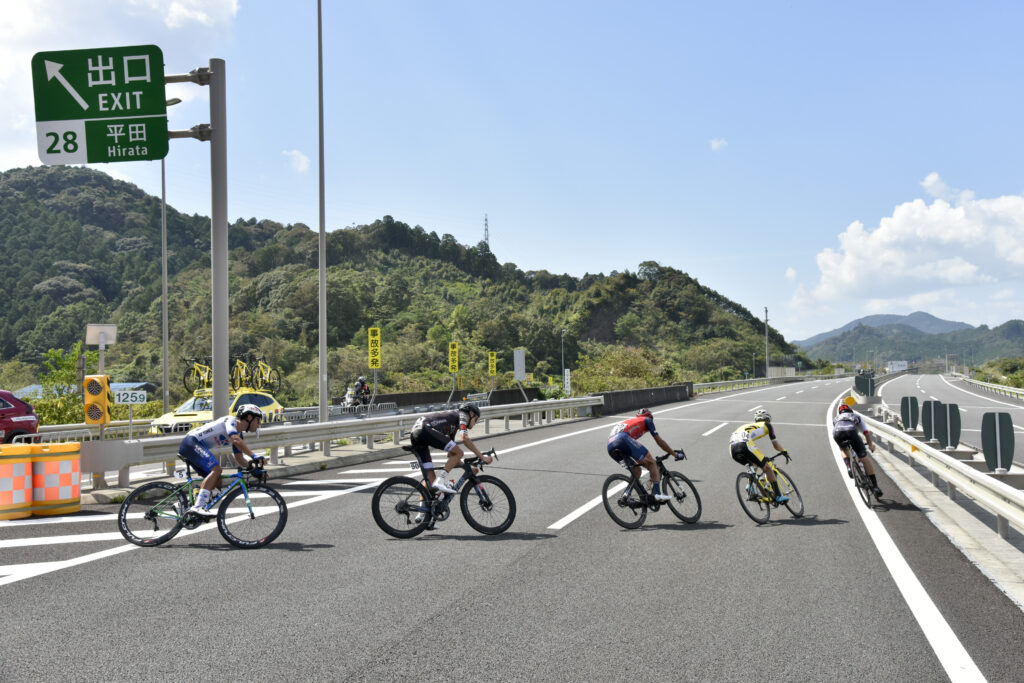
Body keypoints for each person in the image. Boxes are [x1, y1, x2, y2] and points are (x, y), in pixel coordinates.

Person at [177, 404, 265, 516]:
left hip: (195, 446)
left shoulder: (239, 434)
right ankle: (198, 507)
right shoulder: (231, 421)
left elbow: (239, 458)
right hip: (192, 442)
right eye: (258, 420)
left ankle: (182, 505)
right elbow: (235, 440)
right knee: (217, 469)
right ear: (249, 417)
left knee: (217, 481)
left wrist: (254, 470)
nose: (259, 424)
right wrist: (253, 455)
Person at [408, 402, 491, 495]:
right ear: (471, 414)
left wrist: (467, 468)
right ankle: (440, 481)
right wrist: (482, 457)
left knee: (430, 477)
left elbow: (451, 454)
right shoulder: (463, 415)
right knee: (460, 453)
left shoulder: (452, 424)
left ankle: (422, 507)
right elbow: (464, 438)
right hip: (425, 429)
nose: (475, 423)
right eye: (476, 419)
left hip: (416, 434)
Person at [606, 408, 685, 504]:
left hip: (610, 446)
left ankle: (626, 496)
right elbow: (659, 441)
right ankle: (656, 494)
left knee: (637, 471)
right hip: (623, 439)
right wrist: (675, 454)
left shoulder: (631, 421)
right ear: (649, 416)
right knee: (652, 463)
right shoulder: (647, 420)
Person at [729, 409, 790, 504]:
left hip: (732, 448)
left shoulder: (746, 426)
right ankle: (778, 496)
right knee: (767, 467)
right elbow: (776, 446)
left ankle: (750, 487)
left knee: (755, 463)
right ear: (767, 420)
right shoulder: (767, 425)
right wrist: (784, 451)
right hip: (744, 444)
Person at [833, 403, 882, 498]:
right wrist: (871, 445)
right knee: (864, 459)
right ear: (850, 411)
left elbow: (836, 429)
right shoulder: (855, 416)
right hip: (851, 432)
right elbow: (866, 433)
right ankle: (875, 487)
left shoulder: (836, 418)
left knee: (843, 449)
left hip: (837, 433)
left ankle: (848, 467)